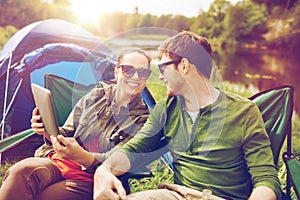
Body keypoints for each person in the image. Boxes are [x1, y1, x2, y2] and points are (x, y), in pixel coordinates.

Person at [93, 31, 282, 200]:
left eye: (163, 68)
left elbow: (266, 178)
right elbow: (135, 149)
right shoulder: (166, 109)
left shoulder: (244, 112)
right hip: (178, 195)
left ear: (183, 66)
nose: (160, 77)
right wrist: (104, 169)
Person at [0, 48, 152, 200]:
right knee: (21, 171)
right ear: (117, 72)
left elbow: (120, 162)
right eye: (128, 69)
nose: (136, 77)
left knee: (48, 196)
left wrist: (83, 156)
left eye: (143, 72)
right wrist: (47, 130)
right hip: (61, 161)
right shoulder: (95, 96)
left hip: (94, 178)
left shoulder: (144, 120)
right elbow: (67, 131)